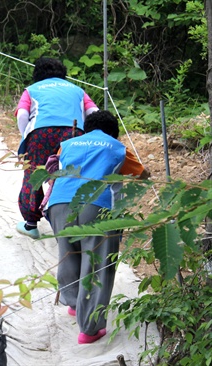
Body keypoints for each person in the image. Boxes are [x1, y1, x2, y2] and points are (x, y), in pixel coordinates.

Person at [46, 110, 150, 344]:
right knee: (97, 262)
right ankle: (89, 328)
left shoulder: (67, 143)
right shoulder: (116, 147)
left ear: (86, 128)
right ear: (114, 131)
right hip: (97, 205)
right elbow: (142, 175)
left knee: (69, 252)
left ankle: (74, 304)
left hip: (59, 203)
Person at [15, 57, 99, 239]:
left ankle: (31, 225)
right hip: (73, 132)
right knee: (72, 174)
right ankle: (74, 222)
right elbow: (95, 112)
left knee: (34, 174)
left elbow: (22, 114)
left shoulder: (31, 90)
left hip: (40, 134)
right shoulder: (78, 90)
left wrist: (26, 135)